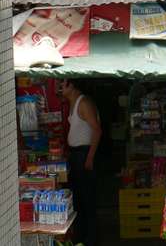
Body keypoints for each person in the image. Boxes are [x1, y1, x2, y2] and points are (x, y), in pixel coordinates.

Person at [61, 79, 102, 246]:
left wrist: (90, 157)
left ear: (71, 86)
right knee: (78, 199)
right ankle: (81, 237)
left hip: (84, 154)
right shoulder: (73, 102)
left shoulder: (83, 103)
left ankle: (91, 239)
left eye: (62, 85)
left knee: (87, 199)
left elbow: (97, 130)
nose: (59, 88)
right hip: (76, 155)